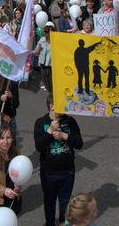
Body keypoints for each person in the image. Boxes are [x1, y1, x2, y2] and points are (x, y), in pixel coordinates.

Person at [34, 95, 83, 226]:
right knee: (49, 202)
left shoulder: (70, 121)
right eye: (58, 105)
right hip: (48, 173)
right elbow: (39, 146)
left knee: (65, 204)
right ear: (50, 105)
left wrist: (64, 136)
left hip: (67, 172)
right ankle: (49, 223)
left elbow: (79, 143)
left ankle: (63, 223)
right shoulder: (41, 122)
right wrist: (49, 131)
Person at [34, 21, 54, 92]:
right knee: (45, 81)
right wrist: (28, 53)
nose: (47, 33)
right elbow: (37, 50)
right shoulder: (42, 40)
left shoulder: (55, 41)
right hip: (43, 65)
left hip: (51, 65)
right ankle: (50, 93)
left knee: (52, 82)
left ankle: (53, 95)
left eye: (48, 31)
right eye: (46, 31)